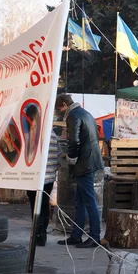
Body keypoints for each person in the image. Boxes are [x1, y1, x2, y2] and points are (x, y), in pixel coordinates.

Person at [55, 93, 104, 248]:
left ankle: (95, 237)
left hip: (84, 164)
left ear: (63, 104)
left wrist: (71, 159)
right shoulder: (85, 113)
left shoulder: (73, 116)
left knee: (88, 201)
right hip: (90, 161)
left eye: (58, 109)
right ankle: (76, 235)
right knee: (80, 201)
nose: (58, 112)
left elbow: (74, 141)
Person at [27, 130, 62, 246]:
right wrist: (53, 169)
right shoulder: (52, 133)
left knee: (35, 205)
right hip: (49, 177)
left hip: (34, 177)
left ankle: (37, 233)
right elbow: (59, 154)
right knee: (44, 204)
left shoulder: (31, 133)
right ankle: (41, 234)